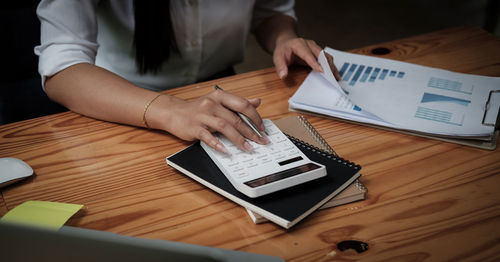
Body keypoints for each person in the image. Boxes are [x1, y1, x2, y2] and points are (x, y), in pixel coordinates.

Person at [35, 0, 325, 152]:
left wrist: (284, 38)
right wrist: (172, 111)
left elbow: (268, 10)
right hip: (120, 99)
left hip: (219, 86)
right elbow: (62, 68)